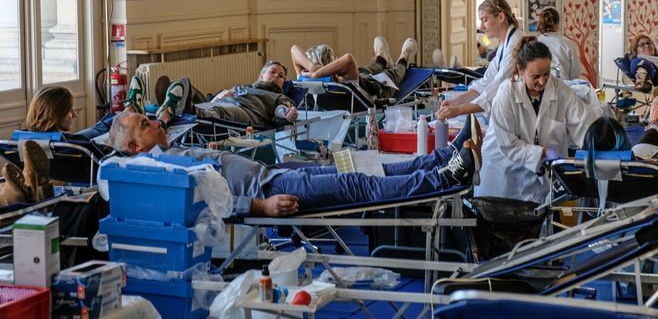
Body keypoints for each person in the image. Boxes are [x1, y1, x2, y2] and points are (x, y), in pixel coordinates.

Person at [104, 110, 481, 216]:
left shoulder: (164, 154)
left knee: (358, 169)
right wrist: (260, 207)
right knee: (357, 186)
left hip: (274, 174)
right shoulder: (158, 171)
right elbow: (203, 200)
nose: (155, 122)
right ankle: (447, 177)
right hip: (267, 190)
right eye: (145, 124)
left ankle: (442, 158)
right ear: (134, 146)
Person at [474, 36, 598, 203]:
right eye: (536, 76)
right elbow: (509, 145)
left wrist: (600, 140)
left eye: (546, 74)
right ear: (520, 70)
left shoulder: (559, 90)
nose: (542, 81)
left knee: (538, 223)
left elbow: (584, 121)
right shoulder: (506, 94)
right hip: (503, 177)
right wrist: (544, 152)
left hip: (538, 181)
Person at [124, 61, 299, 128]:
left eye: (281, 76)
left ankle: (174, 105)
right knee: (210, 104)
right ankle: (167, 106)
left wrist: (287, 113)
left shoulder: (278, 96)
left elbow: (281, 109)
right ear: (262, 75)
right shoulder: (244, 86)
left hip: (249, 113)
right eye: (273, 72)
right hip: (224, 100)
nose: (276, 76)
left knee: (221, 112)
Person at [437, 0, 522, 120]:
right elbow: (486, 82)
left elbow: (496, 89)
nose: (481, 27)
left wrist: (459, 110)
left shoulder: (515, 44)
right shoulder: (505, 43)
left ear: (501, 17)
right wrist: (456, 102)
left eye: (485, 20)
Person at [585, 94, 658, 182]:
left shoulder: (580, 174)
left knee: (640, 148)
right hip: (655, 196)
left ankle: (655, 128)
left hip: (627, 175)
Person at [290, 36, 417, 103]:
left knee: (369, 69)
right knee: (394, 73)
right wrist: (316, 72)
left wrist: (312, 69)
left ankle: (382, 59)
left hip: (361, 79)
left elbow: (294, 49)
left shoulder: (305, 80)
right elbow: (348, 58)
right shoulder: (342, 83)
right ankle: (405, 57)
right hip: (376, 88)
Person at [535, 7, 582, 81]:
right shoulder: (568, 44)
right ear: (557, 24)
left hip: (541, 88)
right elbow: (575, 74)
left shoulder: (535, 43)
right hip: (564, 87)